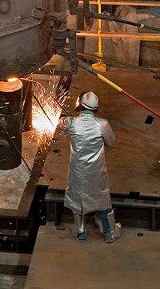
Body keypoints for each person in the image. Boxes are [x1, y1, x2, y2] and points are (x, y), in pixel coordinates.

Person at [60, 91, 121, 243]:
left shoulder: (71, 123)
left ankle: (81, 233)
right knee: (101, 199)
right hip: (96, 171)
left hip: (77, 170)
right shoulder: (102, 124)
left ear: (80, 104)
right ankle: (109, 234)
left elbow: (61, 122)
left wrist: (66, 115)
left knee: (77, 198)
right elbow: (111, 142)